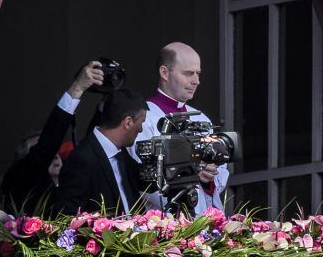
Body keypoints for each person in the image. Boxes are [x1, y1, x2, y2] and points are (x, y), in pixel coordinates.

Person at [132, 42, 226, 213]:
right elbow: (142, 175)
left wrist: (210, 175)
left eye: (198, 73)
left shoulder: (201, 118)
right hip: (164, 221)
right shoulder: (145, 118)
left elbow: (220, 170)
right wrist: (189, 175)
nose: (196, 81)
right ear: (164, 72)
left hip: (202, 218)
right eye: (188, 73)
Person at [1, 61, 103, 213]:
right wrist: (77, 87)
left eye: (56, 152)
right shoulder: (20, 175)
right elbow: (48, 143)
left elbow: (90, 146)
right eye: (42, 150)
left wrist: (104, 107)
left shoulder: (67, 182)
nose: (55, 155)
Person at [53, 88, 148, 215]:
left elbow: (143, 181)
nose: (141, 129)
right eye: (141, 123)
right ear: (128, 122)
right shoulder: (82, 159)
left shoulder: (122, 153)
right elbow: (67, 214)